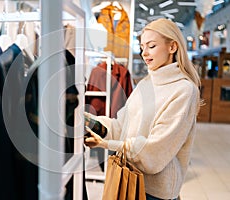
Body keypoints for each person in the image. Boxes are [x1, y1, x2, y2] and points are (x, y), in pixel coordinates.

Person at [84, 18, 201, 200]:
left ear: (172, 47)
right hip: (128, 181)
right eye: (142, 47)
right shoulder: (145, 84)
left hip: (155, 193)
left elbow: (154, 152)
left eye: (151, 46)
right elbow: (121, 127)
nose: (144, 53)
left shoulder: (184, 90)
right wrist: (89, 121)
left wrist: (105, 144)